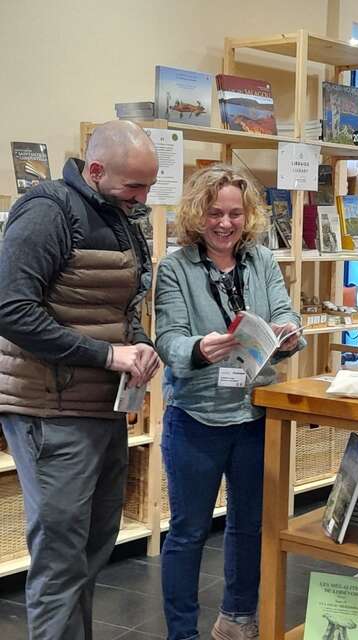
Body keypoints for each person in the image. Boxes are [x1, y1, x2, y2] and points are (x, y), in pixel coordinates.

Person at [0, 120, 161, 640]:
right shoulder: (49, 211)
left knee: (93, 548)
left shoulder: (118, 214)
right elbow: (11, 309)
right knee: (61, 558)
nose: (142, 197)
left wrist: (138, 342)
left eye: (148, 187)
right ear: (94, 170)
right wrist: (106, 354)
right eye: (134, 186)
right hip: (51, 410)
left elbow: (118, 301)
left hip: (100, 407)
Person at [155, 165, 303, 640]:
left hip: (254, 413)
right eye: (215, 212)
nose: (225, 223)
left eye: (235, 214)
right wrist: (200, 348)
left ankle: (238, 620)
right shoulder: (175, 267)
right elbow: (169, 340)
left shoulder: (261, 260)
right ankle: (183, 632)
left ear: (249, 216)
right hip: (196, 418)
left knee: (249, 525)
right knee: (188, 531)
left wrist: (286, 333)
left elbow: (284, 312)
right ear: (198, 214)